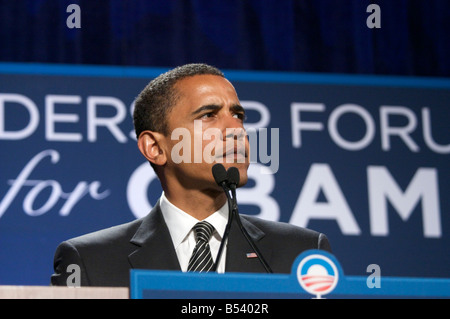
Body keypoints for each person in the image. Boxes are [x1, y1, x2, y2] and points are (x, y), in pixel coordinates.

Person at [51, 63, 331, 287]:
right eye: (209, 115)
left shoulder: (302, 253)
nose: (235, 130)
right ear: (155, 148)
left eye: (238, 115)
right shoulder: (90, 261)